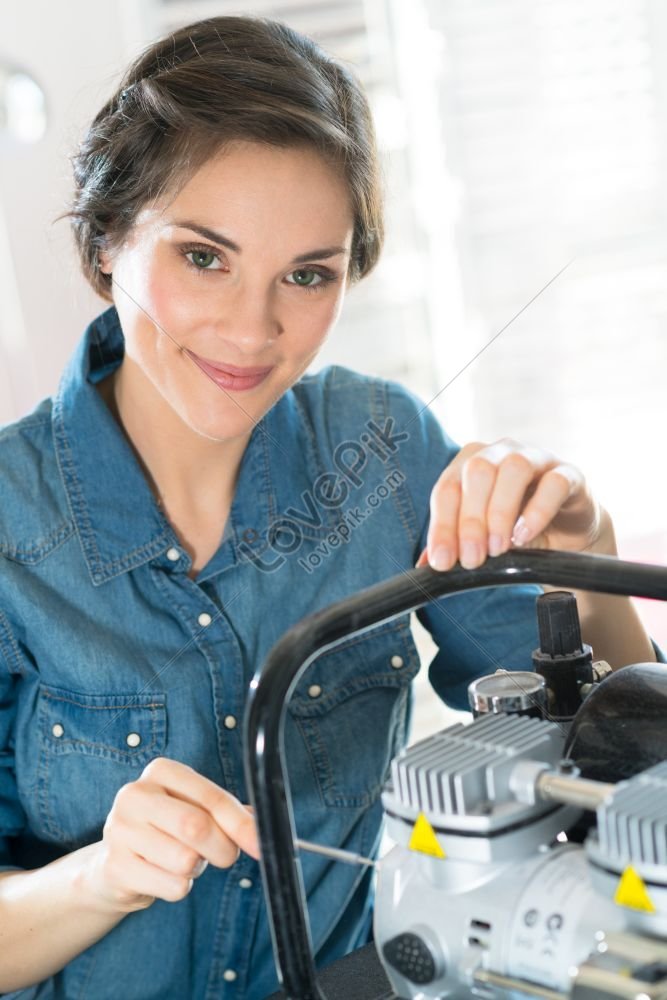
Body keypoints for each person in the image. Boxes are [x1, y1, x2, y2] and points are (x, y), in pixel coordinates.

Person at [0, 15, 656, 999]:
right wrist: (101, 876)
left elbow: (621, 754)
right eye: (203, 257)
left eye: (306, 275)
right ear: (105, 243)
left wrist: (583, 554)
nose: (254, 328)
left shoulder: (383, 445)